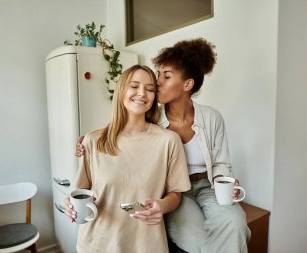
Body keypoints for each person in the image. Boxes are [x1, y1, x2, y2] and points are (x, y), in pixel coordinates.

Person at [75, 38, 251, 253]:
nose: (157, 83)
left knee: (236, 223)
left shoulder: (211, 118)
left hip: (206, 186)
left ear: (187, 84)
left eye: (165, 77)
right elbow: (126, 129)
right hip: (176, 192)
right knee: (197, 239)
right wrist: (89, 140)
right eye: (158, 75)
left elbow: (222, 162)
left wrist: (224, 182)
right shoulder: (153, 120)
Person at [64, 65, 191, 253]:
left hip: (147, 245)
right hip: (97, 243)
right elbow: (81, 190)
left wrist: (162, 205)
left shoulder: (169, 141)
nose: (142, 93)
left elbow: (176, 194)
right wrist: (71, 204)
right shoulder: (93, 140)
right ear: (121, 90)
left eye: (149, 89)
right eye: (134, 86)